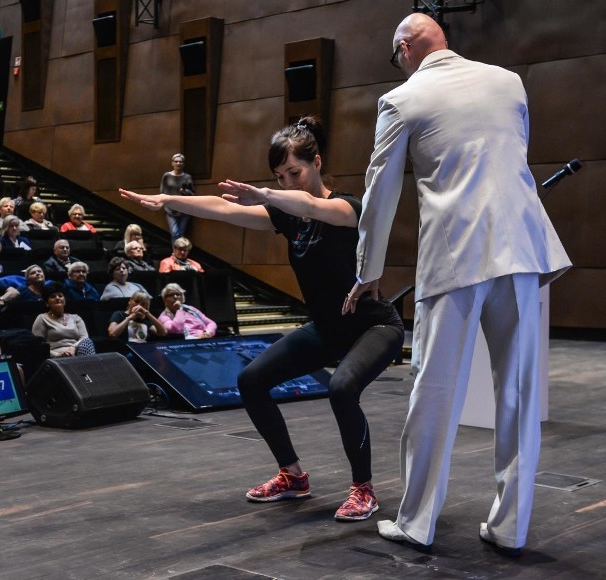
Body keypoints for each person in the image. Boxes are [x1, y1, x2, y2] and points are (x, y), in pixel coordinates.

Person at [344, 14, 571, 553]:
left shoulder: (402, 100)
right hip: (520, 249)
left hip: (455, 257)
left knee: (434, 393)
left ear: (404, 48)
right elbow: (511, 160)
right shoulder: (507, 81)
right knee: (517, 395)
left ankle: (417, 521)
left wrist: (367, 272)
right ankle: (510, 528)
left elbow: (379, 196)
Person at [120, 114, 405, 521]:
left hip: (374, 325)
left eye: (295, 172)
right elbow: (224, 209)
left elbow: (310, 204)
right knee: (251, 380)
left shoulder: (347, 207)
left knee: (342, 388)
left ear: (317, 163)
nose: (289, 182)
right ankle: (292, 476)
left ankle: (364, 489)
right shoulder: (287, 216)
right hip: (328, 328)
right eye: (280, 176)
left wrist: (267, 195)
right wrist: (170, 201)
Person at [32, 282, 95, 358]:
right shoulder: (42, 318)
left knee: (88, 342)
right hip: (56, 358)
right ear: (47, 303)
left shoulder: (75, 318)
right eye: (53, 296)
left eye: (60, 296)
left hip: (78, 353)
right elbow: (37, 346)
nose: (57, 298)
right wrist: (58, 355)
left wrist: (73, 347)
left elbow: (84, 338)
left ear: (64, 300)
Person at [159, 153, 195, 241]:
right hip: (170, 209)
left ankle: (180, 253)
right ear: (172, 163)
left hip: (184, 209)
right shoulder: (167, 176)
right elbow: (162, 191)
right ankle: (175, 253)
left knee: (181, 233)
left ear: (183, 164)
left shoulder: (187, 177)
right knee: (175, 232)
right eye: (176, 161)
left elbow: (193, 194)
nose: (178, 163)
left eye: (180, 162)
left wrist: (185, 192)